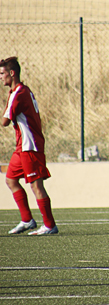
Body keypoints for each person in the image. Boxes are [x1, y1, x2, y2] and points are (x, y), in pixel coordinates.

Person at [1, 57, 58, 235]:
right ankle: (27, 220)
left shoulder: (18, 93)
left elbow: (4, 122)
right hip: (21, 147)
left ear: (12, 73)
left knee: (36, 186)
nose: (0, 77)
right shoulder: (20, 91)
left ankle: (49, 225)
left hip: (30, 146)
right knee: (11, 180)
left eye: (2, 73)